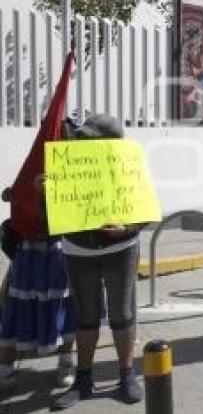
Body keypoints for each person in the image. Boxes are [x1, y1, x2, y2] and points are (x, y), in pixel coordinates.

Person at [53, 115, 146, 410]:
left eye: (91, 137)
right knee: (86, 317)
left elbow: (145, 209)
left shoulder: (130, 164)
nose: (83, 142)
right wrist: (47, 193)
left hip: (122, 249)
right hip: (78, 250)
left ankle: (127, 375)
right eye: (83, 137)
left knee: (123, 313)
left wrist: (127, 230)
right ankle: (83, 379)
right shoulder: (69, 163)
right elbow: (49, 218)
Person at [0, 181, 76, 391]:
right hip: (28, 247)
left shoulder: (72, 159)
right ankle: (4, 367)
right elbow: (8, 195)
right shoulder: (34, 158)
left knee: (64, 304)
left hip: (61, 246)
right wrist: (18, 193)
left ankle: (66, 362)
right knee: (17, 305)